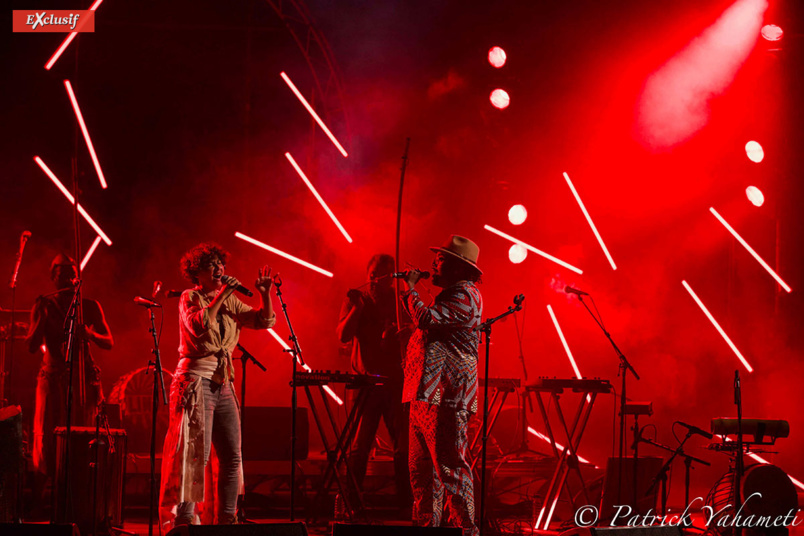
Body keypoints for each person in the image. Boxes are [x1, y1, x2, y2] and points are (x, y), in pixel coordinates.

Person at [159, 242, 277, 526]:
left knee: (232, 456)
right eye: (211, 265)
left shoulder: (231, 300)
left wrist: (264, 294)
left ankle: (227, 520)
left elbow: (263, 321)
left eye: (220, 264)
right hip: (195, 381)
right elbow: (200, 326)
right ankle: (185, 521)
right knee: (193, 454)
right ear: (196, 272)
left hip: (223, 382)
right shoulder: (191, 297)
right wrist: (223, 294)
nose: (219, 269)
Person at [402, 235, 483, 536]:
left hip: (447, 397)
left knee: (450, 470)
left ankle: (467, 531)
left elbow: (426, 319)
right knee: (422, 475)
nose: (434, 265)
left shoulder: (466, 296)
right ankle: (428, 529)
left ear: (460, 269)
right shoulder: (450, 295)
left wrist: (409, 289)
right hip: (424, 396)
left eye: (441, 260)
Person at [26, 253, 114, 479]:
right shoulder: (44, 304)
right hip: (52, 375)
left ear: (78, 278)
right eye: (62, 275)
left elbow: (109, 342)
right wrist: (42, 318)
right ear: (53, 277)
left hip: (82, 376)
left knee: (81, 431)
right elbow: (31, 346)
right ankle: (42, 494)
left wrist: (90, 334)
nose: (67, 280)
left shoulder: (90, 305)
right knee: (44, 434)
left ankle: (79, 486)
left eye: (72, 275)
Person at [336, 254, 411, 514]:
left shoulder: (399, 301)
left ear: (391, 278)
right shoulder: (357, 298)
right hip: (365, 382)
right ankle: (352, 503)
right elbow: (343, 336)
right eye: (371, 274)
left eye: (380, 275)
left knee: (402, 448)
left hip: (394, 383)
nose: (374, 279)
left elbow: (413, 334)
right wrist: (357, 309)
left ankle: (406, 503)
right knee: (360, 447)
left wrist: (402, 333)